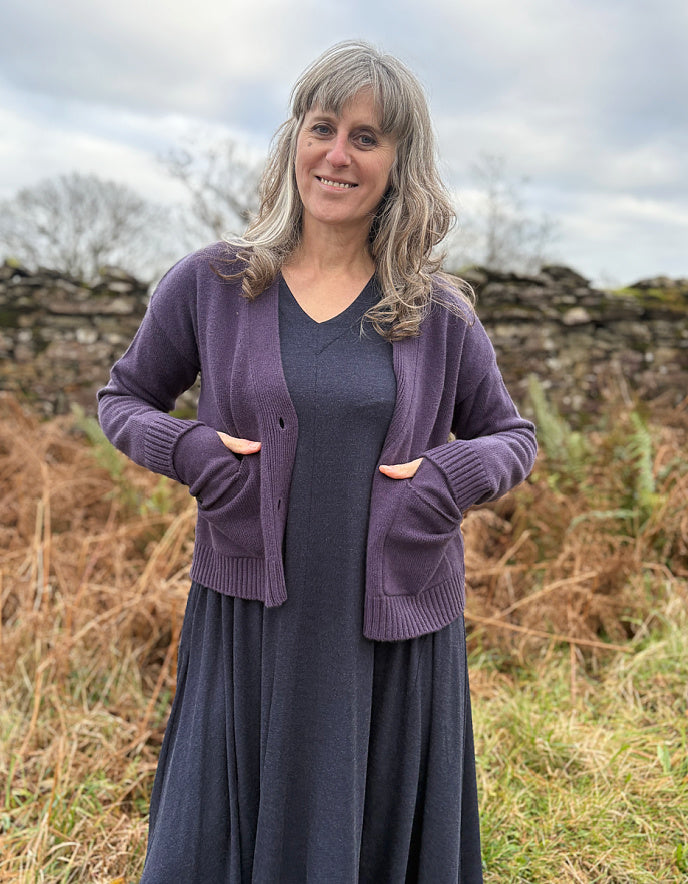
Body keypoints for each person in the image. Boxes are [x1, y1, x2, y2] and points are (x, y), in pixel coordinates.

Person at [98, 40, 536, 884]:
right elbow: (123, 400)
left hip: (391, 630)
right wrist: (191, 451)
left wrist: (448, 481)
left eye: (366, 137)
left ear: (399, 162)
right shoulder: (215, 284)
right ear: (295, 139)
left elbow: (512, 435)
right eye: (323, 127)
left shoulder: (435, 310)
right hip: (252, 620)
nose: (338, 154)